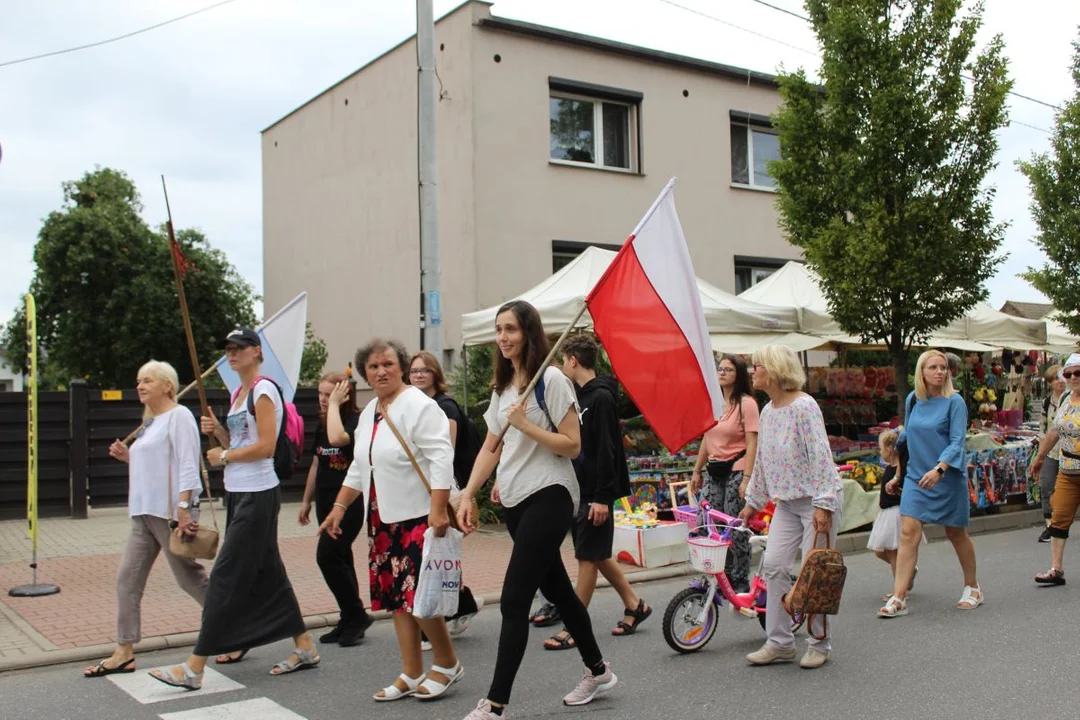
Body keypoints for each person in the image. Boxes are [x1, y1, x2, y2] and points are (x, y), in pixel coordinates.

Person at [457, 300, 617, 719]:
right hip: (515, 500)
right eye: (498, 330)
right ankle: (598, 671)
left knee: (514, 600)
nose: (503, 338)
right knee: (561, 593)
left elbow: (573, 444)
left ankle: (495, 704)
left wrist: (526, 425)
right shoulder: (503, 387)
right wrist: (468, 492)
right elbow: (492, 446)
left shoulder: (551, 379)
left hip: (551, 494)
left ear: (529, 331)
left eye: (510, 328)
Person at [149, 327, 315, 690]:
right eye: (228, 348)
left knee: (224, 575)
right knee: (269, 572)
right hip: (240, 492)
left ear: (257, 352)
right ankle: (304, 646)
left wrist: (222, 455)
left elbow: (267, 446)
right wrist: (220, 433)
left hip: (258, 493)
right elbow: (244, 441)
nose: (232, 353)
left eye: (239, 347)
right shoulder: (239, 393)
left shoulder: (264, 390)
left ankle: (194, 667)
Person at [319, 339, 462, 702]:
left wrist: (439, 508)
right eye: (372, 367)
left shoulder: (418, 404)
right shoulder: (370, 413)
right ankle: (412, 671)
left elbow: (441, 456)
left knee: (418, 597)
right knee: (396, 598)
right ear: (365, 374)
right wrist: (339, 507)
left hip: (418, 514)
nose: (380, 371)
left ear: (400, 367)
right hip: (383, 518)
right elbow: (359, 466)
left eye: (387, 364)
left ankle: (446, 663)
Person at [84, 361, 208, 678]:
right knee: (127, 579)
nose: (140, 385)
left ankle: (234, 628)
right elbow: (153, 466)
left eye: (147, 380)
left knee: (189, 579)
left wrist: (185, 507)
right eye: (138, 380)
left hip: (168, 515)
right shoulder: (150, 423)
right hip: (142, 513)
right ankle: (124, 650)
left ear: (167, 385)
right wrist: (129, 456)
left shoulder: (179, 417)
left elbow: (187, 465)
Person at [738, 344, 843, 670]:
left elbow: (820, 456)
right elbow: (765, 464)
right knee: (773, 566)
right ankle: (780, 642)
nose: (753, 372)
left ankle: (819, 643)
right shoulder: (768, 410)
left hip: (815, 500)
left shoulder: (804, 406)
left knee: (816, 574)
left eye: (757, 366)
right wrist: (753, 502)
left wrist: (824, 504)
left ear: (774, 369)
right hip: (786, 503)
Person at [543, 334, 649, 652]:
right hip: (583, 488)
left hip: (596, 492)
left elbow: (607, 449)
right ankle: (635, 604)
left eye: (564, 360)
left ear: (573, 361)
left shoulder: (600, 398)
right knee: (598, 553)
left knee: (587, 556)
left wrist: (603, 497)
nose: (562, 367)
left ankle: (575, 624)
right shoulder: (581, 397)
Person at [878, 350, 980, 618]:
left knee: (955, 533)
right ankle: (899, 597)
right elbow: (906, 439)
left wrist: (940, 468)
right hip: (916, 476)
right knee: (908, 532)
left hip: (946, 476)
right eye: (933, 367)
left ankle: (973, 587)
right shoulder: (914, 400)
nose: (940, 372)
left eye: (943, 367)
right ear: (921, 372)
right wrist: (899, 475)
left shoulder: (954, 402)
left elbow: (957, 442)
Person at [408, 351, 485, 646]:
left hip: (445, 489)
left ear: (435, 374)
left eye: (424, 371)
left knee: (434, 553)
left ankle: (434, 622)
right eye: (414, 371)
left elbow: (444, 452)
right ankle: (460, 605)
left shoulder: (445, 406)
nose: (418, 376)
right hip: (427, 489)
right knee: (438, 554)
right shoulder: (419, 406)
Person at [298, 371, 373, 647]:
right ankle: (349, 616)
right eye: (320, 393)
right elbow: (318, 463)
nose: (322, 399)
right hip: (325, 500)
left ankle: (356, 615)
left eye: (328, 394)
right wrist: (307, 500)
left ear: (344, 394)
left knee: (327, 557)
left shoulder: (356, 421)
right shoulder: (321, 423)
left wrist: (333, 408)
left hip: (349, 503)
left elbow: (340, 439)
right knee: (341, 558)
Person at [690, 353, 759, 592]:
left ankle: (739, 578)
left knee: (736, 526)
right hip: (714, 469)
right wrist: (697, 470)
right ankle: (719, 574)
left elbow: (752, 443)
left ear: (738, 375)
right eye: (720, 369)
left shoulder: (746, 404)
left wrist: (747, 479)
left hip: (737, 469)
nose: (721, 373)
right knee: (706, 523)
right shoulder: (713, 402)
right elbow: (707, 438)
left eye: (728, 369)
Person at [1029, 353, 1080, 586]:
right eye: (1068, 374)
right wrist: (1039, 457)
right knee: (1058, 517)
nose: (1072, 378)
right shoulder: (1066, 399)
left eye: (1077, 373)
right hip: (1068, 470)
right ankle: (1056, 569)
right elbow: (1054, 431)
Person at [866, 428, 924, 598]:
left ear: (890, 450)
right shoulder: (890, 468)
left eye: (881, 449)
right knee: (880, 551)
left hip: (895, 514)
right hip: (886, 513)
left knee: (893, 553)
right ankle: (908, 570)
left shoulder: (900, 469)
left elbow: (902, 491)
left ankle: (900, 590)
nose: (880, 452)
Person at [1036, 364, 1066, 543]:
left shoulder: (1071, 400)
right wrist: (1041, 452)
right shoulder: (1046, 402)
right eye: (1055, 379)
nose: (1059, 382)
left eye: (1061, 378)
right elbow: (1043, 428)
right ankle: (1050, 525)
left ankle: (1062, 522)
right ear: (1049, 383)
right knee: (1046, 486)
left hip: (1069, 451)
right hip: (1050, 451)